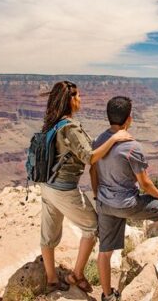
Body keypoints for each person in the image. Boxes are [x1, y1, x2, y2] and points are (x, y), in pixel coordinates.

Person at [91, 96, 158, 301]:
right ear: (129, 119)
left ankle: (107, 296)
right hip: (127, 204)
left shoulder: (98, 141)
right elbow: (145, 184)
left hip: (105, 204)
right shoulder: (132, 147)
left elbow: (93, 169)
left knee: (105, 251)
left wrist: (97, 195)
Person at [39, 81, 132, 294]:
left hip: (46, 186)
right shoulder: (69, 127)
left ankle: (52, 280)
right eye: (78, 96)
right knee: (91, 227)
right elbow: (90, 157)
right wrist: (115, 138)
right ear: (70, 100)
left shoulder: (52, 123)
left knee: (48, 235)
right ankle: (77, 274)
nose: (80, 100)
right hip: (63, 189)